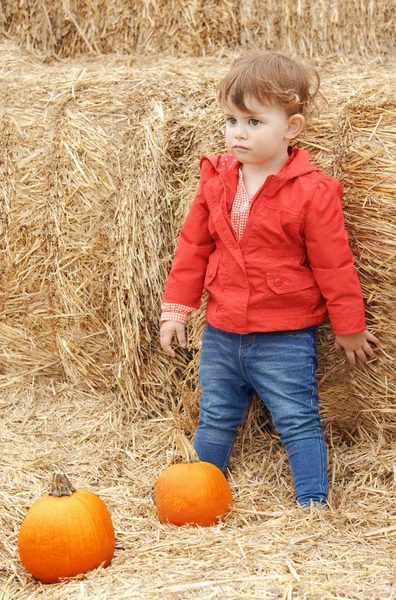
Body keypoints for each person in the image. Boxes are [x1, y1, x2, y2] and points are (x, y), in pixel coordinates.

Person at [159, 51, 380, 508]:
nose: (239, 133)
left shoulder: (311, 191)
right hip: (221, 331)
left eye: (255, 122)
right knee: (216, 415)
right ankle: (199, 496)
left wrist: (349, 325)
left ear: (291, 128)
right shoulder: (216, 179)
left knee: (297, 418)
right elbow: (193, 247)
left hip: (283, 335)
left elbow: (333, 264)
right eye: (231, 120)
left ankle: (312, 503)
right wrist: (177, 309)